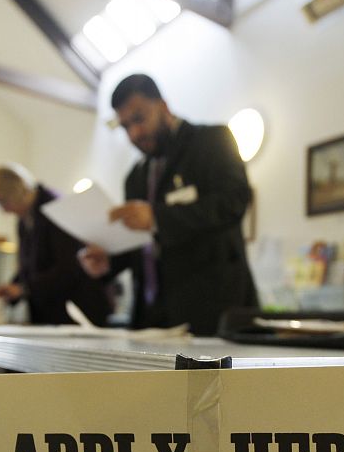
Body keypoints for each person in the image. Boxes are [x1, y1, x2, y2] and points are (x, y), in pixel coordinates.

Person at [79, 74, 258, 336]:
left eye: (139, 119)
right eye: (125, 126)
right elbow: (142, 243)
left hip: (211, 314)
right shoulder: (135, 177)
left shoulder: (212, 141)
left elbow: (234, 201)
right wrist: (110, 262)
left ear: (163, 106)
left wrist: (157, 218)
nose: (134, 133)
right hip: (150, 318)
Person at [0, 164, 113, 326]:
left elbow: (69, 266)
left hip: (75, 312)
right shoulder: (24, 220)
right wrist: (14, 286)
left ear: (15, 192)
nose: (4, 210)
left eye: (3, 202)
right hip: (47, 313)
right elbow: (28, 266)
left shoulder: (55, 208)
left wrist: (24, 289)